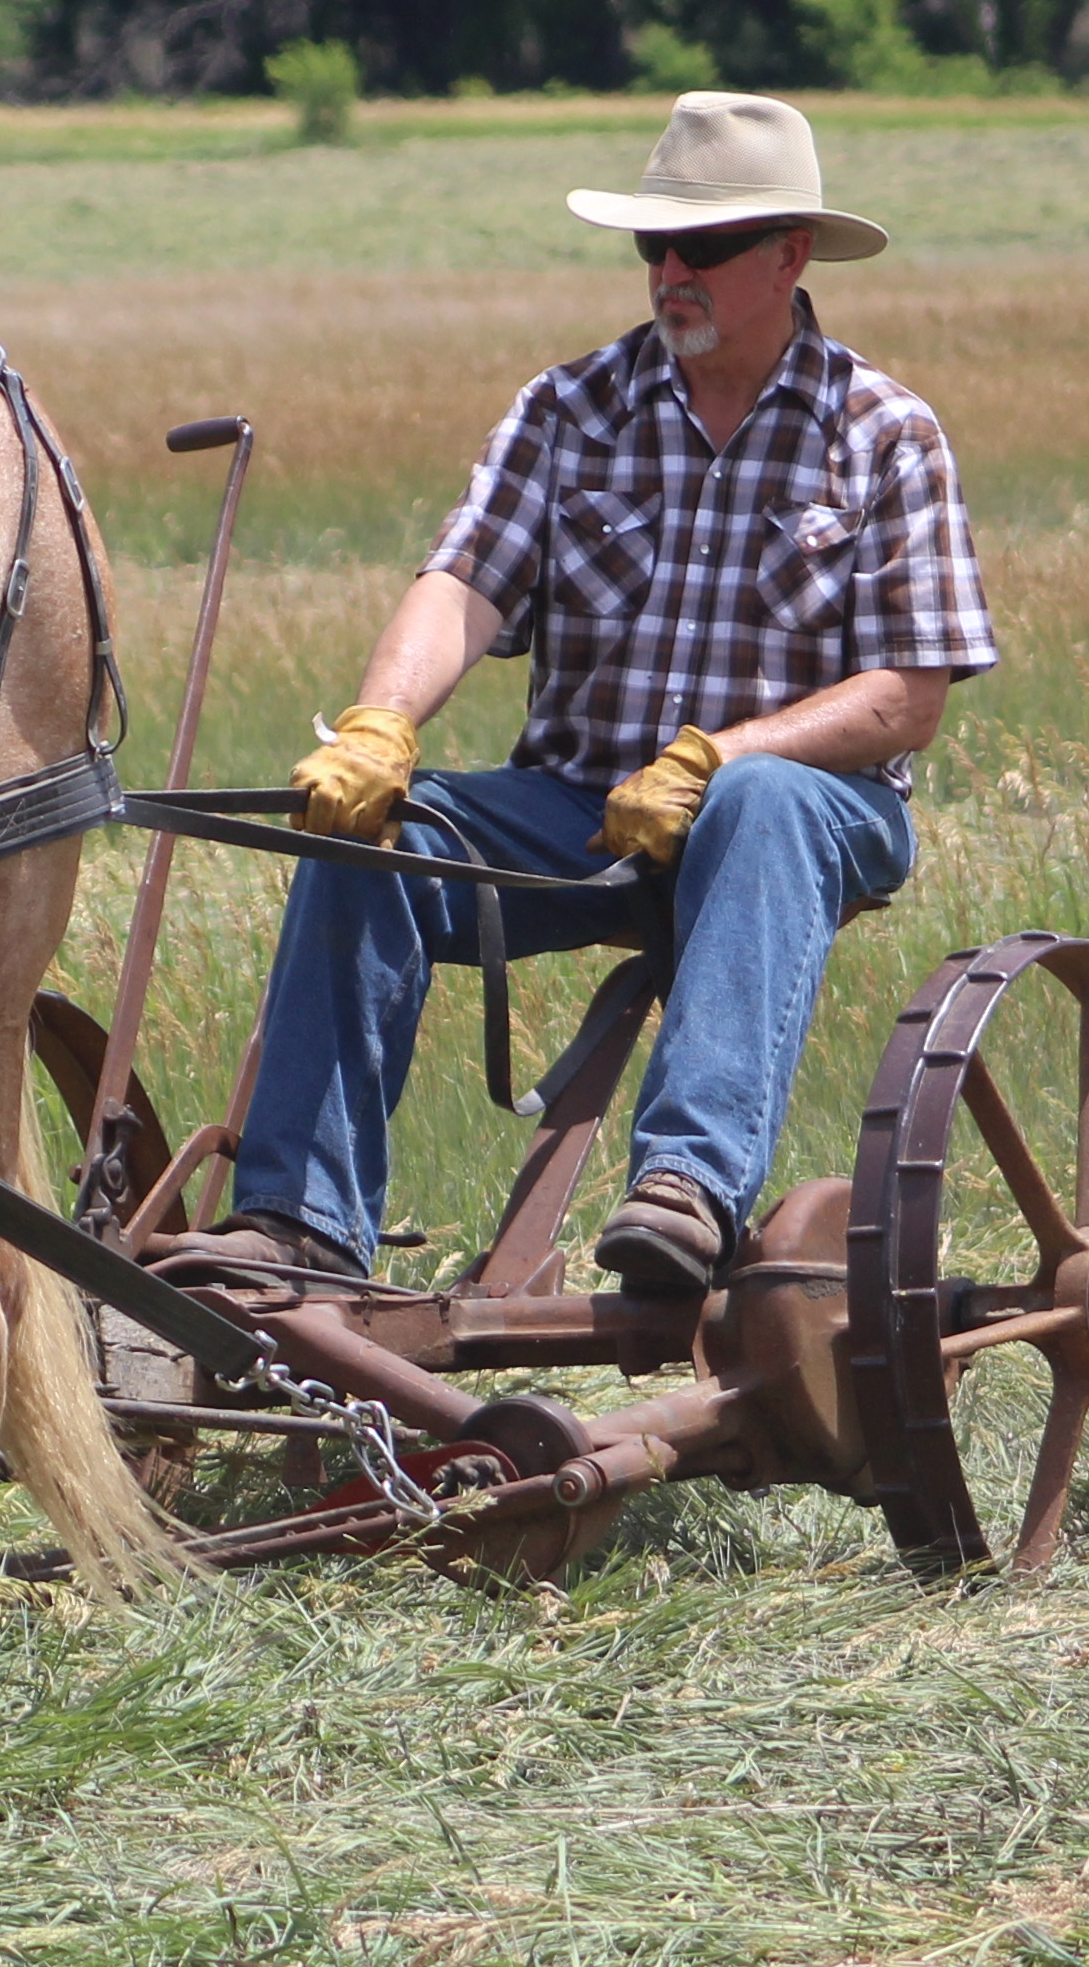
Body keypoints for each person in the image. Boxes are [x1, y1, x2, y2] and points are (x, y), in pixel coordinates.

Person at [164, 93, 997, 1301]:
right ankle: (299, 1223)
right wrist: (381, 723)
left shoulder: (883, 433)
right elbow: (462, 587)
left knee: (760, 798)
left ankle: (687, 1189)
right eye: (653, 246)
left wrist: (714, 759)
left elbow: (906, 699)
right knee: (370, 833)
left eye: (701, 247)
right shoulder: (571, 409)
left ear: (789, 254)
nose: (671, 271)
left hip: (811, 809)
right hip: (582, 804)